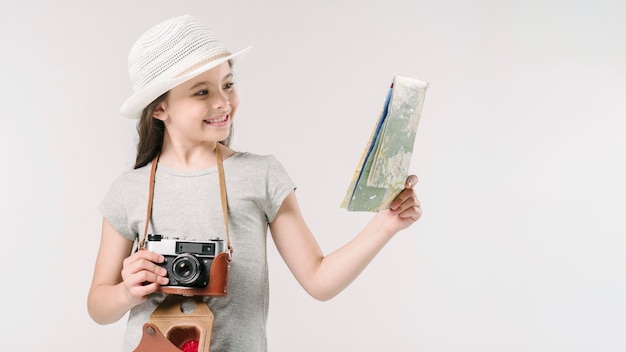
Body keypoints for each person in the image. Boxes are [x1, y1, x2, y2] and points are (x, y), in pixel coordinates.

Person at [87, 14, 422, 352]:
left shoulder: (261, 175)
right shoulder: (128, 190)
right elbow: (98, 307)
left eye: (228, 84)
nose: (222, 102)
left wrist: (386, 224)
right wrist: (126, 291)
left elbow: (319, 281)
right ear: (160, 108)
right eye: (201, 91)